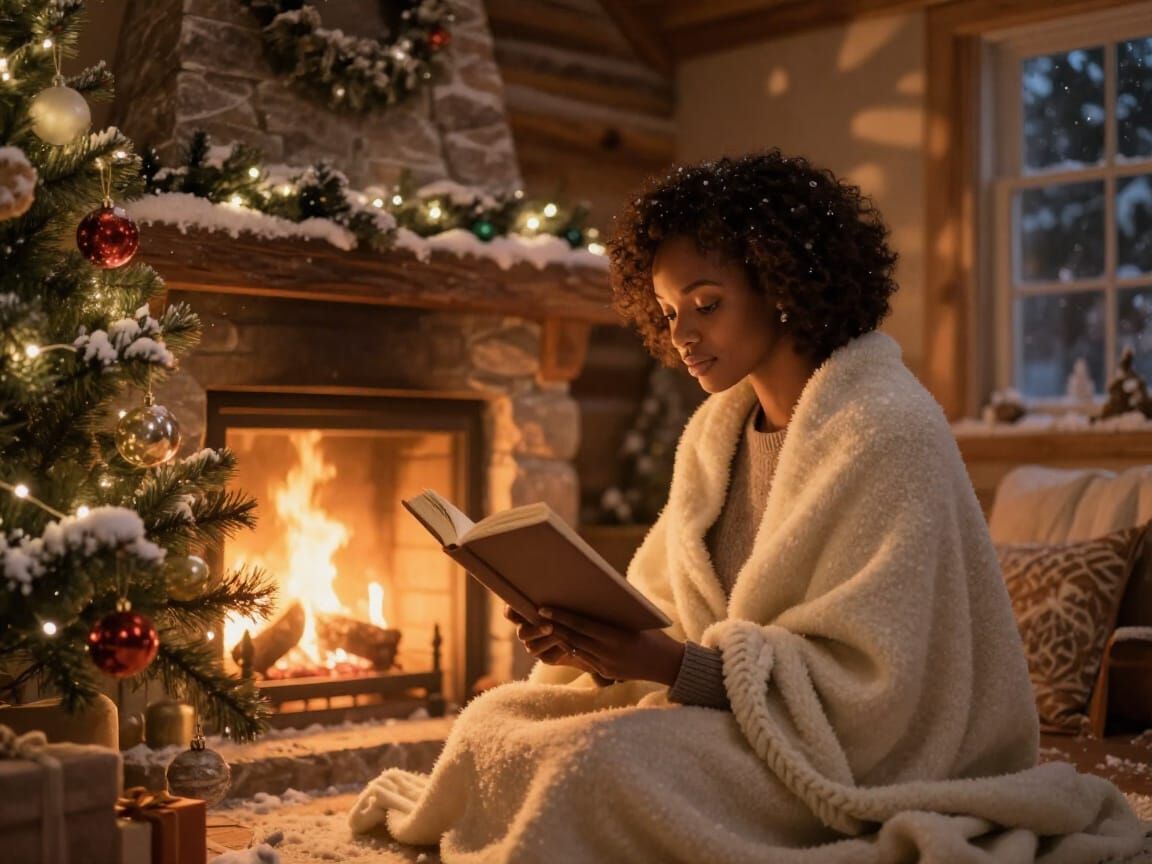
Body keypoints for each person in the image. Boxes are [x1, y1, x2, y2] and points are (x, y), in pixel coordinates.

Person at [350, 150, 1146, 863]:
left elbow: (878, 690)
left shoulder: (887, 427)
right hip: (736, 718)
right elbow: (663, 602)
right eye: (668, 314)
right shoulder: (713, 434)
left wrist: (666, 664)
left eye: (706, 302)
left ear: (782, 280)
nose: (684, 335)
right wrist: (589, 642)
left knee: (591, 766)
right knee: (496, 725)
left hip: (846, 753)